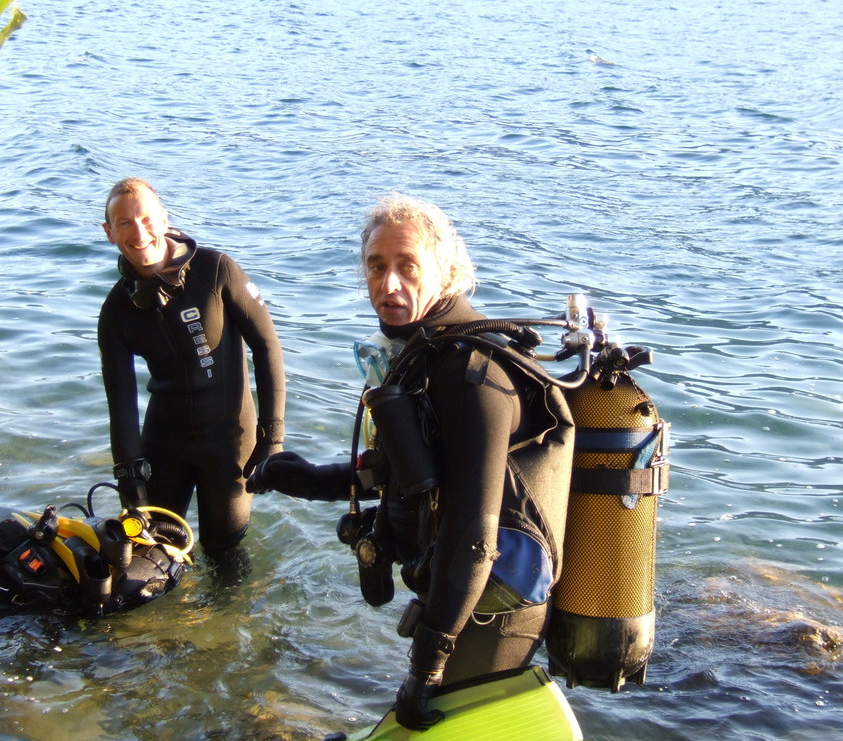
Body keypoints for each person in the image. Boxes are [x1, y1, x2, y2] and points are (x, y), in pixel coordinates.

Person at [246, 194, 575, 730]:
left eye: (408, 266)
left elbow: (473, 532)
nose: (389, 284)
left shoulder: (472, 373)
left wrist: (427, 663)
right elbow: (410, 476)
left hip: (496, 606)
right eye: (377, 266)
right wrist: (302, 478)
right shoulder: (425, 356)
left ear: (446, 271)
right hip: (462, 592)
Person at [98, 177, 286, 566]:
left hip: (229, 440)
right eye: (125, 223)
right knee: (152, 553)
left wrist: (272, 437)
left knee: (224, 554)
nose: (139, 233)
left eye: (146, 219)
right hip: (165, 441)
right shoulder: (116, 311)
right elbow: (121, 402)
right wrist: (128, 475)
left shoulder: (215, 270)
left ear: (164, 220)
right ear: (109, 232)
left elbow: (267, 346)